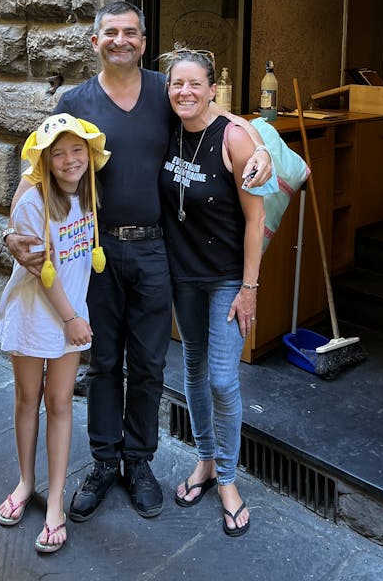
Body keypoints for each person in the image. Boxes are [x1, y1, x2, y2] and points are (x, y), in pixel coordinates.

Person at [4, 0, 271, 524]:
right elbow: (37, 162)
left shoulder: (164, 91)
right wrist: (15, 228)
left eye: (130, 33)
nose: (120, 40)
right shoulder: (74, 100)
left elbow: (216, 117)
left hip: (155, 250)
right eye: (111, 33)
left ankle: (139, 461)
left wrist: (257, 142)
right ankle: (104, 461)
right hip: (94, 249)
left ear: (144, 43)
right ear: (95, 42)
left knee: (148, 366)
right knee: (103, 362)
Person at [159, 48, 265, 537]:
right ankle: (204, 461)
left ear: (211, 89)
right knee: (194, 370)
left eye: (194, 84)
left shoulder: (235, 137)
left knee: (223, 379)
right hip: (184, 275)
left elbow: (255, 218)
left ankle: (227, 478)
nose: (185, 92)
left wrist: (249, 288)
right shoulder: (170, 126)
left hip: (225, 278)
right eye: (177, 84)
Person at [0, 113, 110, 554]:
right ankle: (26, 483)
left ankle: (56, 501)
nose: (69, 160)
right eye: (57, 153)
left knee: (60, 402)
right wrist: (72, 320)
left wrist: (74, 316)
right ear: (43, 161)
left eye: (77, 150)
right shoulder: (32, 203)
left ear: (89, 155)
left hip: (69, 314)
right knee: (28, 399)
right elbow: (45, 276)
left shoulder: (90, 195)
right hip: (37, 315)